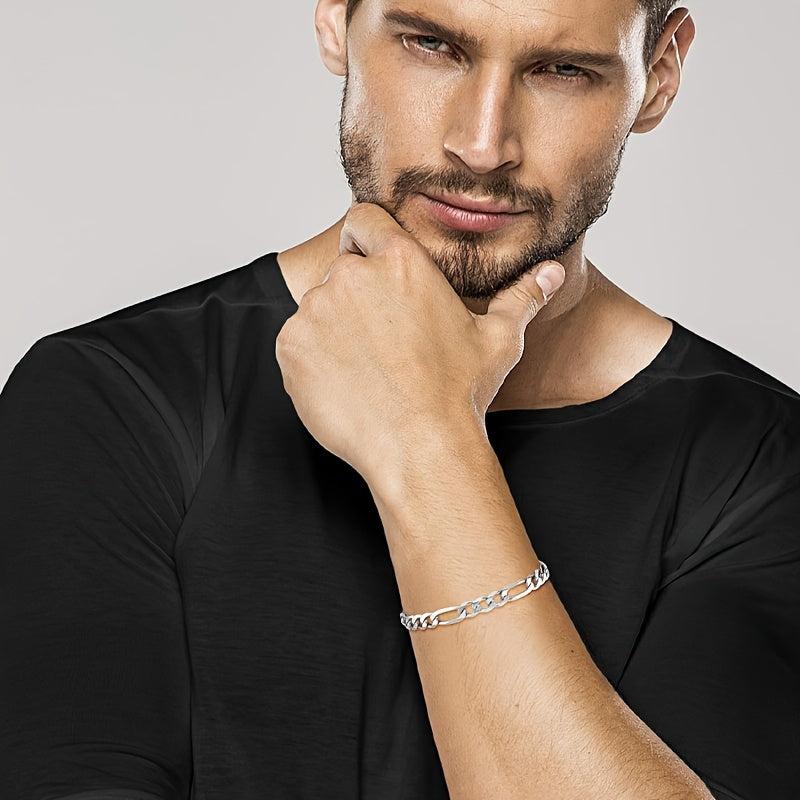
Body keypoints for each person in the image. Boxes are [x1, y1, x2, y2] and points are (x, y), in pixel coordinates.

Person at [1, 0, 798, 798]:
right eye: (432, 45)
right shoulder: (113, 397)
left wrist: (428, 440)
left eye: (561, 70)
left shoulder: (762, 462)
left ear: (659, 75)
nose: (482, 145)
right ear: (334, 22)